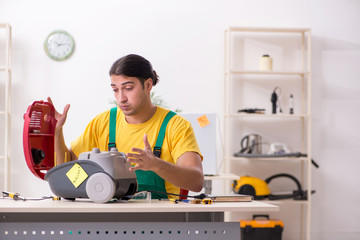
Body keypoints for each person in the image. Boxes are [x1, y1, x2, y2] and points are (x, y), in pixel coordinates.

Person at [49, 54, 204, 199]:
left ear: (148, 85)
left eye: (128, 88)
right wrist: (57, 131)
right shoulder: (104, 122)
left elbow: (196, 181)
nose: (121, 98)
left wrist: (156, 165)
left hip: (162, 222)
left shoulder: (175, 126)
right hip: (111, 221)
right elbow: (67, 173)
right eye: (115, 90)